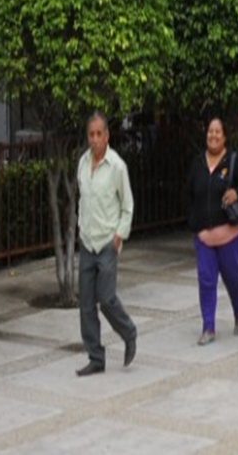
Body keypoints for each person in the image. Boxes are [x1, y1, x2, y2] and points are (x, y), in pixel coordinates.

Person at [75, 111, 137, 376]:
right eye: (91, 134)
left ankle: (128, 332)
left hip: (107, 243)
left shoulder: (117, 166)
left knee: (107, 298)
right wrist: (81, 227)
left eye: (100, 134)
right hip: (87, 241)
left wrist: (118, 236)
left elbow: (128, 205)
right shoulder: (82, 163)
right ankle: (96, 356)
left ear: (107, 136)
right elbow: (82, 200)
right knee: (86, 303)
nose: (95, 139)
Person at [184, 118, 238, 345]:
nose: (213, 135)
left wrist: (237, 193)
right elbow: (188, 194)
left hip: (230, 235)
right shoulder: (197, 163)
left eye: (217, 132)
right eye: (210, 131)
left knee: (232, 277)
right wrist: (194, 224)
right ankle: (208, 327)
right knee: (206, 280)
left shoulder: (233, 161)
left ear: (224, 137)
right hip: (204, 237)